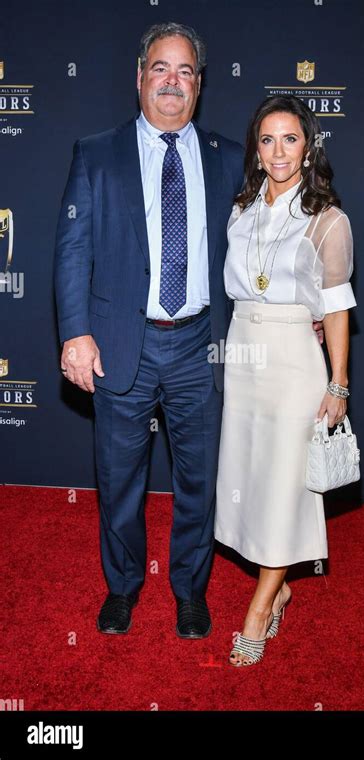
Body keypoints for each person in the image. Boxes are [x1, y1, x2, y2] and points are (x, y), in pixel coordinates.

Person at [54, 22, 245, 639]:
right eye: (160, 68)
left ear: (199, 85)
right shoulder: (97, 151)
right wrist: (75, 332)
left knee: (200, 479)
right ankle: (123, 587)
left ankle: (190, 589)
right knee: (119, 481)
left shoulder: (229, 159)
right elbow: (71, 249)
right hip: (119, 347)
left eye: (185, 71)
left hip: (200, 346)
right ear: (139, 78)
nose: (172, 81)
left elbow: (264, 247)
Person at [215, 94, 357, 666]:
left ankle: (260, 606)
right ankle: (280, 586)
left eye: (290, 139)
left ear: (309, 145)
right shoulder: (241, 206)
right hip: (244, 353)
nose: (278, 151)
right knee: (251, 478)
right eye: (267, 139)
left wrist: (339, 383)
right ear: (256, 147)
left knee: (285, 489)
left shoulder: (328, 219)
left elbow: (338, 307)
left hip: (296, 361)